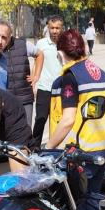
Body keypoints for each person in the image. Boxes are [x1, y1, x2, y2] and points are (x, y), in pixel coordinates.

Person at [47, 29, 105, 210]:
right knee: (92, 201)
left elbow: (68, 119)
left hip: (83, 153)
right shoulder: (99, 72)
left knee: (76, 207)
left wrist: (48, 148)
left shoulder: (71, 76)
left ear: (60, 53)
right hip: (104, 150)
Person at [31, 15, 65, 149]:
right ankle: (34, 149)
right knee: (40, 119)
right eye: (52, 28)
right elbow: (36, 63)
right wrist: (34, 83)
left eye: (57, 28)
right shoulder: (41, 44)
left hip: (61, 91)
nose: (55, 31)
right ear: (48, 28)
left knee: (58, 123)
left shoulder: (66, 43)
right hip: (44, 89)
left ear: (62, 28)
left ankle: (53, 149)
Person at [4, 28, 38, 126]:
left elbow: (39, 54)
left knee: (26, 129)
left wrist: (36, 76)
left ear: (10, 34)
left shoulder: (23, 44)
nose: (1, 39)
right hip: (7, 98)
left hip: (25, 96)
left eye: (5, 36)